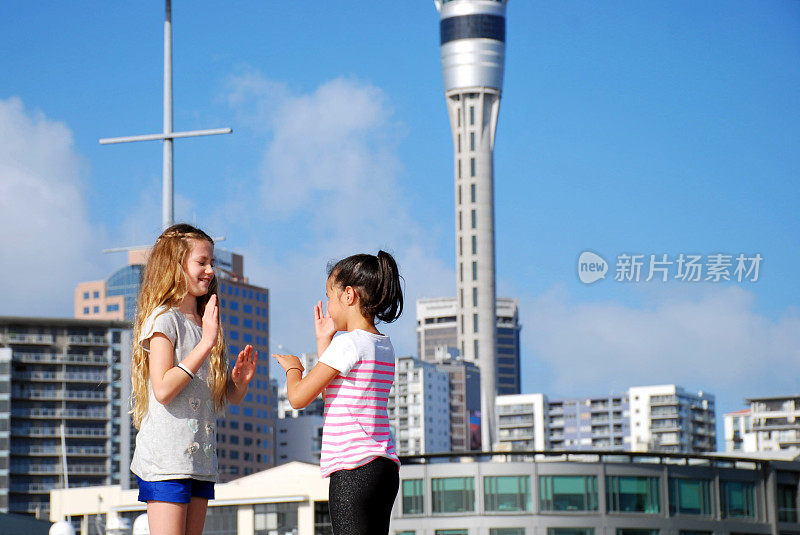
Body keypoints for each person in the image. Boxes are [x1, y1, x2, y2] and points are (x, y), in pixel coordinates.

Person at [129, 223, 257, 535]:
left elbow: (225, 397)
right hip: (166, 461)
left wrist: (238, 381)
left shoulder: (206, 325)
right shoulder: (164, 319)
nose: (210, 270)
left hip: (199, 463)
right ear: (175, 266)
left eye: (212, 263)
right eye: (202, 262)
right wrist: (205, 344)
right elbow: (162, 388)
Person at [273, 251, 404, 535]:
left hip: (353, 468)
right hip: (382, 468)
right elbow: (332, 396)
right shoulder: (382, 346)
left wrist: (294, 369)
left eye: (329, 297)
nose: (328, 306)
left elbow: (298, 398)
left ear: (349, 295)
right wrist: (324, 341)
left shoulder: (349, 344)